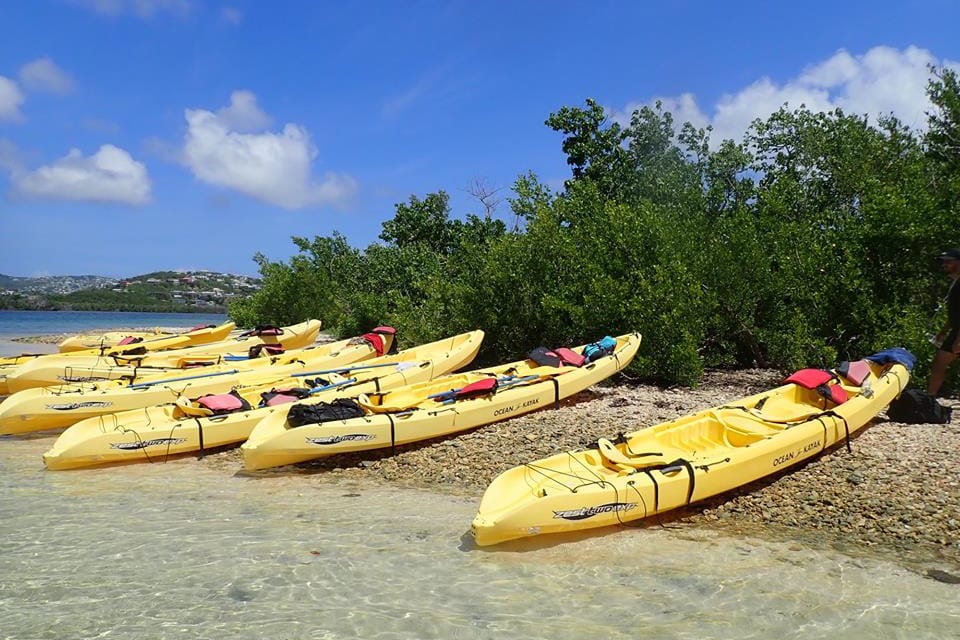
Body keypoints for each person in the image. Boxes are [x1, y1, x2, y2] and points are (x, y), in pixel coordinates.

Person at [928, 248, 960, 397]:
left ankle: (929, 398)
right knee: (939, 363)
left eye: (948, 261)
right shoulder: (956, 282)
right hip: (956, 330)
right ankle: (930, 396)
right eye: (943, 262)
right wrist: (943, 331)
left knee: (939, 363)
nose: (944, 265)